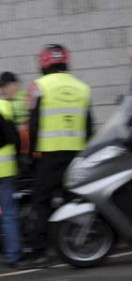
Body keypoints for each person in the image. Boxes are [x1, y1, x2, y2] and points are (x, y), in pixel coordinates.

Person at [26, 44, 93, 268]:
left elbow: (33, 124)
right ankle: (72, 244)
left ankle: (40, 251)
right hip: (75, 154)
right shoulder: (83, 88)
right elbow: (89, 127)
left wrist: (32, 153)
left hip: (49, 154)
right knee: (70, 199)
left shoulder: (39, 87)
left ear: (44, 63)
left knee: (41, 201)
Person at [0, 95, 23, 268]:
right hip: (5, 169)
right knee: (8, 214)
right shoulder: (5, 106)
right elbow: (14, 138)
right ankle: (13, 255)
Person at [0, 71, 32, 170]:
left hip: (24, 148)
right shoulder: (11, 101)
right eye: (1, 87)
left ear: (15, 84)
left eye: (5, 86)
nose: (2, 90)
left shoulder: (20, 101)